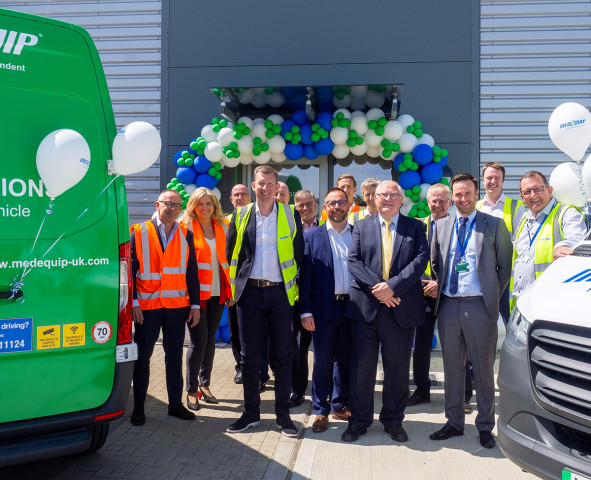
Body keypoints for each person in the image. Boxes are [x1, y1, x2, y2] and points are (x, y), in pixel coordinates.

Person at [429, 173, 512, 449]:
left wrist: (490, 298)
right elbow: (436, 263)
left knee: (483, 368)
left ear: (476, 194)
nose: (462, 199)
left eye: (467, 194)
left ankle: (486, 426)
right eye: (458, 194)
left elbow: (504, 268)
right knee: (452, 368)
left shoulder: (495, 225)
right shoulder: (440, 225)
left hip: (479, 306)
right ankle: (453, 422)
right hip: (450, 306)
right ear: (452, 196)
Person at [342, 180, 429, 443]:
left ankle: (393, 420)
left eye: (393, 195)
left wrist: (392, 288)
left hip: (400, 308)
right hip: (365, 309)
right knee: (362, 370)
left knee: (398, 370)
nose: (388, 199)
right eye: (383, 195)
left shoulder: (416, 227)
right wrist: (378, 289)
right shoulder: (360, 226)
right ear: (374, 199)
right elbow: (353, 261)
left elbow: (420, 260)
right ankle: (359, 421)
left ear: (401, 200)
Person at [226, 165, 304, 437]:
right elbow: (230, 255)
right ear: (254, 185)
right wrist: (234, 292)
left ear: (276, 186)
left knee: (283, 356)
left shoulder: (290, 214)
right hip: (249, 295)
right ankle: (251, 414)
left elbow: (299, 256)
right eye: (261, 183)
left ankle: (283, 415)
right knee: (249, 358)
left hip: (280, 295)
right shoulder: (241, 214)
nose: (266, 188)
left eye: (270, 183)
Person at [130, 189, 200, 426]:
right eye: (168, 204)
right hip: (146, 308)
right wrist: (134, 303)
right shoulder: (138, 232)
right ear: (157, 204)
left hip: (176, 306)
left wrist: (196, 304)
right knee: (142, 357)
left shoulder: (184, 233)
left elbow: (191, 271)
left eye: (177, 205)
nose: (172, 208)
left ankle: (175, 405)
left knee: (174, 356)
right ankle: (138, 407)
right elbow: (129, 272)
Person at [300, 187, 353, 432]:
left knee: (346, 359)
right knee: (322, 361)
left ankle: (340, 405)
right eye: (332, 203)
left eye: (341, 202)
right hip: (323, 309)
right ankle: (320, 410)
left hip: (353, 309)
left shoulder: (358, 234)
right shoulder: (312, 237)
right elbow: (305, 278)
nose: (337, 207)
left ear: (349, 205)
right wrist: (305, 311)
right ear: (325, 208)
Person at [180, 187, 234, 411]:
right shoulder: (184, 227)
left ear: (215, 206)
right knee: (198, 340)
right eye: (200, 204)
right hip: (194, 295)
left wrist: (230, 291)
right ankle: (191, 391)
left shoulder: (222, 225)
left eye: (208, 204)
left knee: (210, 339)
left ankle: (205, 385)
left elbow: (229, 260)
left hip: (218, 292)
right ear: (193, 205)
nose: (204, 208)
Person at [511, 171, 587, 306]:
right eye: (527, 192)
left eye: (538, 189)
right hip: (522, 302)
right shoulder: (524, 219)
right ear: (522, 197)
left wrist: (562, 246)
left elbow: (577, 238)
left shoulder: (566, 212)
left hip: (552, 301)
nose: (533, 195)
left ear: (549, 190)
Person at [407, 183, 452, 407]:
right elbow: (410, 260)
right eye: (434, 201)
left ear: (450, 203)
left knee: (455, 346)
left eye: (442, 200)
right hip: (423, 294)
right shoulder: (419, 226)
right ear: (428, 203)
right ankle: (422, 390)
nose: (438, 205)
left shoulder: (458, 226)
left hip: (450, 294)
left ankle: (459, 396)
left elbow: (461, 262)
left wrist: (440, 284)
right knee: (422, 345)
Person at [476, 161, 524, 324]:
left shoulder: (516, 207)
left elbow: (521, 241)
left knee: (509, 319)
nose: (493, 181)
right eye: (489, 177)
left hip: (506, 275)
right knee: (482, 319)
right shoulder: (475, 208)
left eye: (497, 177)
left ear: (503, 180)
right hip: (481, 274)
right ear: (483, 180)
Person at [288, 190, 320, 408]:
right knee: (298, 347)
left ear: (316, 205)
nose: (305, 208)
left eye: (309, 204)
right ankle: (297, 390)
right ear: (295, 207)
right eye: (300, 205)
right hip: (297, 297)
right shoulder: (288, 229)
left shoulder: (328, 226)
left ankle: (323, 389)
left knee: (325, 347)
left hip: (323, 296)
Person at [227, 184, 250, 384]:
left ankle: (260, 369)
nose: (240, 197)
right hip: (230, 288)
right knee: (235, 331)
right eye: (236, 195)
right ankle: (240, 367)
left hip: (249, 287)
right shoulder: (223, 222)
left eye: (243, 194)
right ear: (231, 199)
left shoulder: (255, 219)